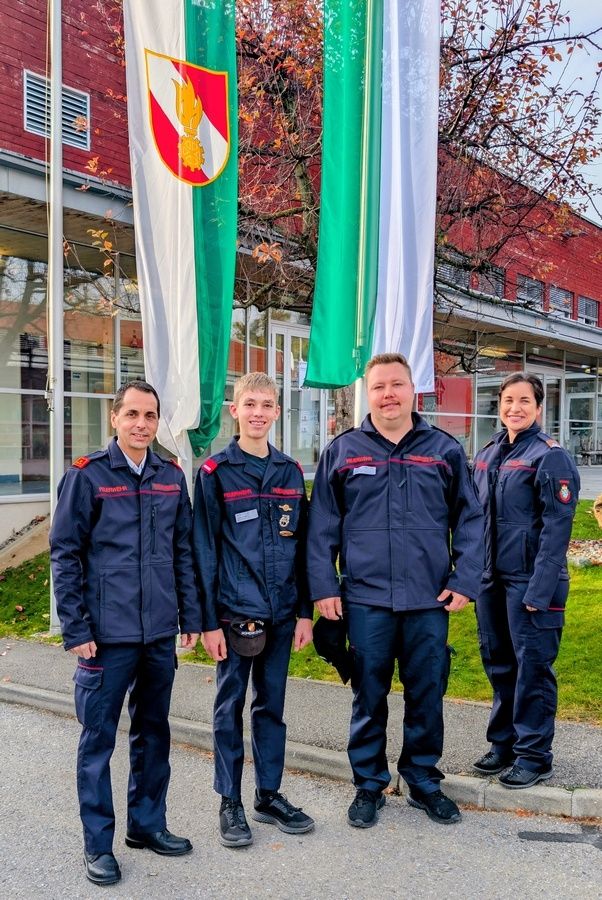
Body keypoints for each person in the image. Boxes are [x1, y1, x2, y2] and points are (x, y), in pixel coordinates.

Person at [308, 353, 484, 827]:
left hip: (429, 599)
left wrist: (465, 579)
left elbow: (470, 520)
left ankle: (423, 780)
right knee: (368, 693)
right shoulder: (343, 451)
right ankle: (369, 784)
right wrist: (324, 586)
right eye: (379, 386)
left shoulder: (443, 450)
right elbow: (321, 525)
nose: (388, 394)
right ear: (369, 394)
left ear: (413, 390)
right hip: (365, 599)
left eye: (397, 385)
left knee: (427, 691)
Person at [50, 380, 200, 887]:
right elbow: (65, 554)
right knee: (97, 742)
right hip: (104, 637)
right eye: (132, 414)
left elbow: (183, 554)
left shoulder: (170, 477)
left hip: (157, 633)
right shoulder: (87, 476)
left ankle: (147, 825)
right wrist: (75, 628)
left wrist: (190, 619)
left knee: (154, 733)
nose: (141, 424)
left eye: (150, 415)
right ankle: (98, 846)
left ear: (158, 422)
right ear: (114, 418)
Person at [193, 372, 315, 848]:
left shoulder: (289, 471)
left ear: (277, 412)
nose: (258, 412)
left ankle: (269, 794)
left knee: (272, 708)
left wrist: (305, 612)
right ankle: (230, 801)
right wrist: (205, 622)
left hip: (284, 613)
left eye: (267, 404)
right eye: (250, 404)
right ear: (235, 410)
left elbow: (304, 547)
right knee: (229, 709)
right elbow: (201, 549)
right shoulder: (215, 473)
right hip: (233, 614)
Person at [471, 373, 579, 788]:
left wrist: (540, 587)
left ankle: (534, 755)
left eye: (523, 401)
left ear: (538, 407)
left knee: (532, 668)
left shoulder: (550, 456)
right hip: (491, 580)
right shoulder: (488, 452)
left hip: (532, 582)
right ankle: (504, 744)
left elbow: (557, 528)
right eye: (507, 400)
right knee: (499, 664)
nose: (514, 408)